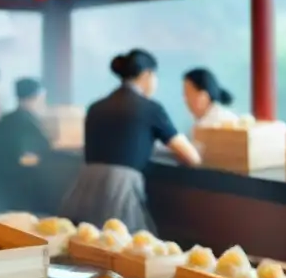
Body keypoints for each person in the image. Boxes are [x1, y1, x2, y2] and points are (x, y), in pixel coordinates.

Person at [60, 49, 201, 234]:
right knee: (120, 247)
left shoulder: (96, 107)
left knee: (85, 245)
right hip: (119, 188)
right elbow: (192, 157)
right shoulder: (150, 108)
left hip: (85, 187)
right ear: (147, 75)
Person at [0, 78, 53, 212]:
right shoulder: (25, 121)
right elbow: (27, 156)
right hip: (18, 184)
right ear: (36, 97)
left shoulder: (7, 119)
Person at [182, 68, 236, 135]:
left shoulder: (216, 123)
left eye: (188, 93)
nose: (185, 100)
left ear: (203, 96)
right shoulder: (200, 124)